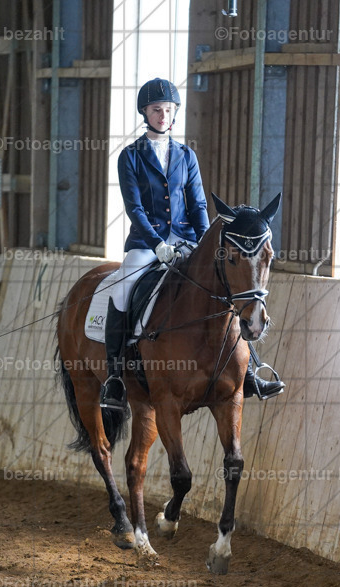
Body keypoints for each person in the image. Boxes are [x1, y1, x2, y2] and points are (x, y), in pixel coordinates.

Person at [100, 77, 285, 411]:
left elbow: (199, 205)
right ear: (146, 112)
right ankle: (115, 376)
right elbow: (135, 208)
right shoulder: (130, 156)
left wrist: (203, 245)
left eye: (168, 110)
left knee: (226, 287)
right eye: (157, 110)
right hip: (146, 244)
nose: (162, 115)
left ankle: (249, 372)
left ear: (174, 114)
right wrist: (157, 245)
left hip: (187, 240)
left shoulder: (186, 155)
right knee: (122, 291)